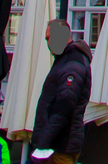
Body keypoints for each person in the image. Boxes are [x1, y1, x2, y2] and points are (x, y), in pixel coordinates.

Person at [30, 19, 92, 164]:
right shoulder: (66, 60)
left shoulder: (72, 62)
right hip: (58, 143)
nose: (48, 43)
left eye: (49, 38)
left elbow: (64, 108)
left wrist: (43, 143)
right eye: (46, 39)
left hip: (60, 145)